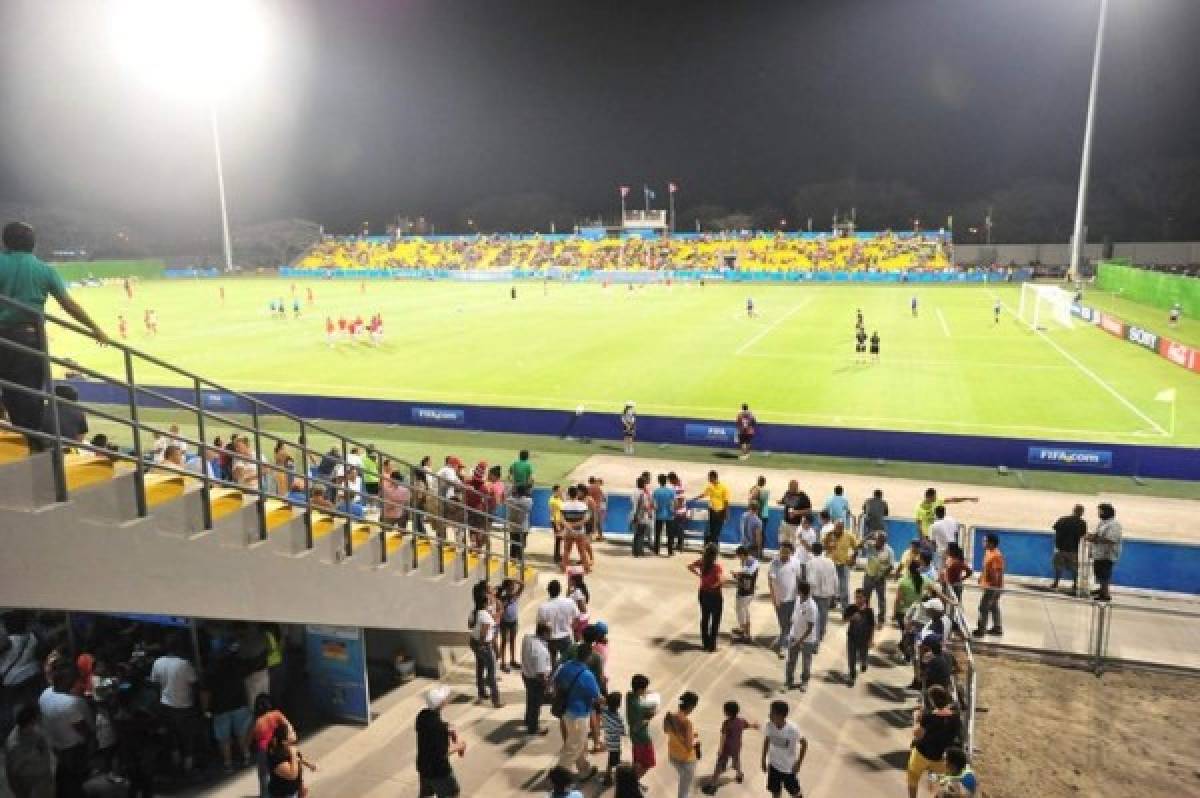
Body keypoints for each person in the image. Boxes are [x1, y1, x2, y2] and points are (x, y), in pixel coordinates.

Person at [0, 222, 108, 445]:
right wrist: (95, 329)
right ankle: (32, 445)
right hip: (30, 340)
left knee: (10, 391)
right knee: (30, 395)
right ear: (33, 244)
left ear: (6, 242)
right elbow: (68, 304)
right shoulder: (44, 270)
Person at [38, 661, 93, 798]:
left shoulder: (45, 693)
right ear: (69, 684)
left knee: (63, 776)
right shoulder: (71, 703)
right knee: (77, 780)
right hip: (73, 748)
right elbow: (83, 729)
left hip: (56, 744)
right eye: (77, 681)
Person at [906, 685, 962, 798]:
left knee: (913, 775)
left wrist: (916, 719)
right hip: (942, 758)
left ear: (931, 701)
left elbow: (917, 734)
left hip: (922, 755)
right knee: (943, 782)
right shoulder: (955, 718)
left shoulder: (928, 717)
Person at [554, 652, 601, 784]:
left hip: (566, 711)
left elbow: (556, 681)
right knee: (573, 747)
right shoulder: (587, 675)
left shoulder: (566, 666)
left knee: (578, 743)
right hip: (579, 715)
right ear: (588, 658)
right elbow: (597, 697)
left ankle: (584, 770)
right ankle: (559, 777)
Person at [416, 685, 465, 797]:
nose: (447, 699)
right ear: (442, 703)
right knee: (453, 792)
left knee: (426, 794)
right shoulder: (439, 728)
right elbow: (444, 752)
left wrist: (447, 727)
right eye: (445, 698)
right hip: (438, 771)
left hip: (423, 766)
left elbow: (432, 728)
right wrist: (460, 745)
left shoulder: (422, 716)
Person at [701, 700, 759, 794]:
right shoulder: (741, 721)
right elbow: (747, 725)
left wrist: (720, 749)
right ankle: (739, 775)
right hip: (737, 746)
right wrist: (754, 725)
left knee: (719, 764)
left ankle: (713, 785)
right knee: (736, 760)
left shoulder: (726, 723)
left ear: (727, 712)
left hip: (726, 748)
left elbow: (723, 737)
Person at [4, 702, 54, 798]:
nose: (38, 720)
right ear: (31, 721)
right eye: (36, 719)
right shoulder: (15, 746)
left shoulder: (33, 731)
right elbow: (13, 775)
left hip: (43, 780)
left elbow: (42, 745)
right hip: (33, 786)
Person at [761, 700, 806, 798]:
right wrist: (763, 759)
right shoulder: (769, 725)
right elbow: (767, 740)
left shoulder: (793, 729)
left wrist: (798, 763)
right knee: (775, 792)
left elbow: (804, 744)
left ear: (780, 715)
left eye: (772, 713)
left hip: (788, 769)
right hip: (773, 766)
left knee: (795, 793)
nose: (769, 715)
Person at [252, 695, 293, 798]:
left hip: (263, 750)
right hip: (277, 747)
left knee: (264, 776)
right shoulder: (276, 714)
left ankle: (266, 795)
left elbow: (250, 738)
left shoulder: (256, 721)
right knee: (280, 772)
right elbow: (288, 726)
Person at [689, 543, 726, 652]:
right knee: (715, 620)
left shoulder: (702, 562)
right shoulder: (716, 567)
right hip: (715, 595)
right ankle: (712, 645)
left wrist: (699, 575)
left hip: (703, 593)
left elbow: (690, 566)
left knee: (705, 618)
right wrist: (714, 585)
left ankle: (705, 644)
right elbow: (722, 580)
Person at [467, 588, 501, 707]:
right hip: (484, 645)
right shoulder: (485, 615)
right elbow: (484, 632)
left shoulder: (474, 612)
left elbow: (470, 625)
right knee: (491, 672)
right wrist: (482, 645)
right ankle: (496, 700)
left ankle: (481, 693)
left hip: (474, 642)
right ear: (484, 603)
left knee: (480, 668)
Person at [664, 691, 700, 798]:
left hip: (673, 756)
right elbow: (689, 747)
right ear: (692, 706)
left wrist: (689, 735)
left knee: (684, 780)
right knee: (684, 792)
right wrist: (694, 741)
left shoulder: (669, 717)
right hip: (687, 760)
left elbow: (666, 731)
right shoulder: (687, 723)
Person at [767, 542, 800, 657]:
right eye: (782, 551)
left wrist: (799, 597)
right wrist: (773, 599)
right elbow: (770, 583)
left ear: (791, 552)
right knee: (783, 624)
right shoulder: (774, 564)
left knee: (788, 624)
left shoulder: (796, 563)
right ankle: (785, 640)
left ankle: (783, 647)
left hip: (792, 599)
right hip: (779, 600)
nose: (784, 554)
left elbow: (798, 579)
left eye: (786, 552)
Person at [538, 580, 580, 668]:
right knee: (567, 663)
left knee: (551, 663)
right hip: (565, 637)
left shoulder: (543, 607)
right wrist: (572, 629)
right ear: (560, 590)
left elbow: (541, 626)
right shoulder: (569, 602)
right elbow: (577, 618)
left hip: (551, 639)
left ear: (548, 591)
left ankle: (554, 678)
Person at [785, 581, 818, 692]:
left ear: (801, 592)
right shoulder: (798, 599)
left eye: (798, 590)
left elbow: (810, 628)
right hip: (794, 635)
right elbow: (795, 616)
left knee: (806, 663)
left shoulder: (811, 607)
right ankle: (788, 681)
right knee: (790, 661)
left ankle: (804, 682)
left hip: (806, 640)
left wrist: (799, 642)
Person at [521, 623, 553, 736]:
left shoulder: (527, 638)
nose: (551, 635)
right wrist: (547, 686)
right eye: (550, 633)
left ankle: (528, 720)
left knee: (530, 699)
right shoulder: (541, 651)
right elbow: (541, 674)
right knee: (536, 704)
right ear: (544, 633)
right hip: (535, 679)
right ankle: (533, 728)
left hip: (526, 674)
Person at [266, 722, 313, 798]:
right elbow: (292, 774)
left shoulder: (290, 748)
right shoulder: (277, 756)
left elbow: (298, 761)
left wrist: (301, 784)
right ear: (284, 740)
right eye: (291, 732)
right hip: (282, 795)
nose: (294, 732)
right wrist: (293, 754)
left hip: (294, 791)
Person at [1087, 503, 1122, 602]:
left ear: (1107, 512)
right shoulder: (1102, 523)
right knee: (1099, 573)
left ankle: (1105, 595)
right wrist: (1091, 536)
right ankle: (1102, 589)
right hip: (1099, 553)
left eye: (1100, 511)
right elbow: (1098, 535)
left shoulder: (1114, 525)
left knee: (1104, 574)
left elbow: (1111, 539)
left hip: (1107, 554)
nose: (1099, 513)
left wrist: (1095, 539)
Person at [822, 520, 858, 610]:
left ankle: (845, 610)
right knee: (829, 587)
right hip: (830, 565)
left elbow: (856, 547)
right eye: (836, 527)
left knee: (844, 589)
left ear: (843, 528)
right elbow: (823, 546)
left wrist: (853, 558)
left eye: (840, 528)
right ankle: (830, 605)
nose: (838, 530)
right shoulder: (829, 535)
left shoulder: (849, 536)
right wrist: (829, 547)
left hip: (843, 565)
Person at [806, 542, 838, 644]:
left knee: (813, 614)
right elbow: (835, 578)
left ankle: (814, 636)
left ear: (812, 550)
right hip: (827, 594)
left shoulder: (810, 562)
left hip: (814, 593)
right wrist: (834, 593)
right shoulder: (830, 562)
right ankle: (821, 634)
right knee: (824, 614)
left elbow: (810, 580)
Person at [973, 533, 1005, 637]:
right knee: (994, 607)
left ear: (991, 543)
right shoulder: (988, 552)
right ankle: (997, 628)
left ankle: (981, 629)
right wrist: (981, 578)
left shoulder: (996, 556)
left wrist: (992, 588)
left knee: (983, 607)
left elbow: (996, 573)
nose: (983, 543)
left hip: (992, 587)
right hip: (989, 585)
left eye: (985, 541)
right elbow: (986, 568)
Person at [1050, 504, 1087, 593]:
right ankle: (1075, 584)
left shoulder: (1063, 519)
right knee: (1074, 568)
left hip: (1061, 548)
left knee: (1058, 567)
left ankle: (1056, 583)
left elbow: (1055, 528)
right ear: (1082, 513)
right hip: (1073, 549)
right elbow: (1083, 534)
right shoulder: (1082, 523)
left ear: (1073, 510)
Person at [843, 588, 875, 686]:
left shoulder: (869, 611)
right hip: (852, 637)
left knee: (862, 654)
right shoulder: (851, 608)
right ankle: (852, 675)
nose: (858, 599)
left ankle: (864, 662)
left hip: (864, 639)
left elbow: (872, 626)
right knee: (851, 657)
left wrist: (871, 640)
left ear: (865, 598)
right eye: (856, 597)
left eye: (860, 597)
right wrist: (852, 617)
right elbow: (844, 620)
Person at [862, 531, 894, 628]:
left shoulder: (889, 551)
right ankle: (866, 617)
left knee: (881, 599)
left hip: (880, 578)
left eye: (881, 540)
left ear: (885, 541)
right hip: (868, 576)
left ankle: (881, 619)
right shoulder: (870, 545)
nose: (878, 542)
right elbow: (859, 544)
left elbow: (890, 566)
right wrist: (869, 535)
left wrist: (882, 576)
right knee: (866, 597)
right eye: (877, 539)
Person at [732, 545, 760, 643]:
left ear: (743, 554)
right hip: (748, 591)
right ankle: (747, 634)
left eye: (739, 556)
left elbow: (749, 573)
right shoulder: (751, 561)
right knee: (745, 610)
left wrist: (738, 574)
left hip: (745, 592)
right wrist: (738, 576)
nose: (738, 558)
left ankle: (743, 632)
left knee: (740, 610)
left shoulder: (751, 562)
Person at [695, 470, 731, 546]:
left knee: (716, 533)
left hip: (720, 512)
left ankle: (714, 549)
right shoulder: (710, 486)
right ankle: (710, 548)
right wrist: (695, 498)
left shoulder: (724, 487)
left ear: (714, 477)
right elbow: (704, 494)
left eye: (709, 478)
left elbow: (726, 502)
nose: (708, 480)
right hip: (711, 512)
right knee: (711, 532)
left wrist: (727, 514)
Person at [496, 577, 524, 671]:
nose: (512, 589)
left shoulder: (515, 596)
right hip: (504, 622)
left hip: (513, 622)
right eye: (510, 588)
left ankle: (512, 660)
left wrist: (514, 580)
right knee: (504, 641)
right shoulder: (502, 598)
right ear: (506, 589)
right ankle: (503, 663)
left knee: (513, 640)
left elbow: (522, 585)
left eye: (513, 588)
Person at [600, 692, 626, 786]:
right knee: (612, 760)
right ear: (618, 705)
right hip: (615, 743)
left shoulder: (604, 711)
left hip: (608, 738)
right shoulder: (617, 718)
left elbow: (601, 705)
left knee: (612, 757)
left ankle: (612, 770)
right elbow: (622, 732)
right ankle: (608, 778)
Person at [777, 480, 811, 548]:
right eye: (789, 487)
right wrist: (780, 502)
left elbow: (808, 510)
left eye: (792, 487)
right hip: (785, 523)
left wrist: (797, 512)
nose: (790, 489)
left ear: (796, 487)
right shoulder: (788, 493)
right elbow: (784, 501)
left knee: (794, 545)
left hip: (795, 525)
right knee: (783, 542)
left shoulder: (802, 496)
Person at [929, 506, 960, 571]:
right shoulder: (953, 520)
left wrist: (934, 551)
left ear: (935, 514)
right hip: (954, 548)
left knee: (943, 571)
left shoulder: (934, 525)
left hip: (943, 550)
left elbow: (933, 542)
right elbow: (956, 534)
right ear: (944, 512)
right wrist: (956, 545)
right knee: (953, 569)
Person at [652, 474, 676, 556]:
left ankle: (656, 550)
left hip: (659, 515)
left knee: (658, 534)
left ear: (659, 481)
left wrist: (656, 510)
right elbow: (672, 504)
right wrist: (673, 512)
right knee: (670, 534)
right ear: (666, 481)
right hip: (669, 515)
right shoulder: (671, 491)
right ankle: (670, 551)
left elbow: (655, 505)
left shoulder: (656, 491)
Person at [631, 475, 654, 558]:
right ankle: (639, 551)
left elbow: (635, 504)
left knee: (637, 534)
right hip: (641, 516)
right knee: (641, 534)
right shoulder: (643, 494)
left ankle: (635, 551)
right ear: (643, 484)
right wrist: (649, 513)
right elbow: (643, 506)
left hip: (635, 514)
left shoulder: (634, 492)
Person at [669, 472, 689, 554]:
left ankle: (679, 546)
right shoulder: (679, 486)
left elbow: (680, 500)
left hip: (678, 512)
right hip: (681, 511)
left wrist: (674, 509)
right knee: (678, 530)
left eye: (670, 480)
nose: (669, 482)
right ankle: (678, 546)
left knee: (676, 530)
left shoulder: (678, 488)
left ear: (673, 479)